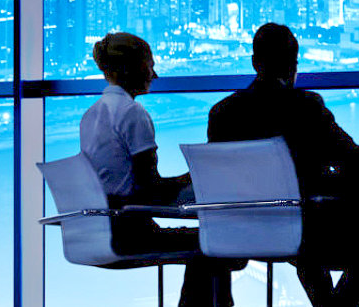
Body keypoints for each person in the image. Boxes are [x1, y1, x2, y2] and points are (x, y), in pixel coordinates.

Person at [207, 23, 359, 307]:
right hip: (306, 231)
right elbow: (350, 158)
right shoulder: (305, 107)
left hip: (241, 232)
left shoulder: (222, 113)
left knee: (309, 241)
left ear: (255, 62)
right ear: (294, 65)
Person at [79, 32, 239, 307]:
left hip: (99, 229)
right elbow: (150, 190)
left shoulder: (91, 115)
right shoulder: (132, 114)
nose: (155, 74)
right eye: (150, 65)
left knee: (211, 244)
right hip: (130, 231)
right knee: (217, 243)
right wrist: (194, 178)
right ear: (132, 68)